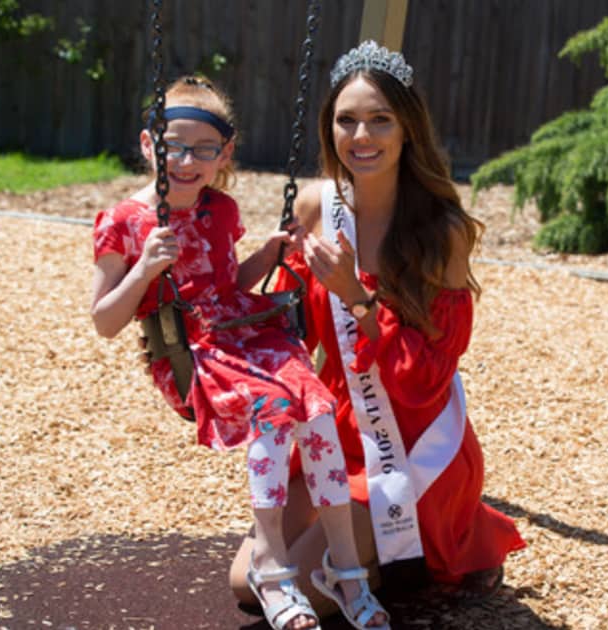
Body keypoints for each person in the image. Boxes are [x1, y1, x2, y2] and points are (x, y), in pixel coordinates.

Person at [228, 40, 526, 616]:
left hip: (410, 442)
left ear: (407, 129)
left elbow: (426, 380)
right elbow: (289, 338)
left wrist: (359, 300)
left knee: (311, 592)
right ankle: (373, 562)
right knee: (249, 583)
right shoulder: (317, 207)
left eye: (379, 120)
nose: (361, 137)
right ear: (330, 129)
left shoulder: (442, 234)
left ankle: (417, 549)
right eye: (347, 121)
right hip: (334, 430)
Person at [91, 75, 389, 630]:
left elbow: (228, 288)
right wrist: (143, 268)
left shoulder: (221, 210)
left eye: (204, 149)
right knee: (275, 414)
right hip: (191, 351)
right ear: (147, 144)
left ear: (224, 154)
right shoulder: (125, 222)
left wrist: (266, 255)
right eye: (173, 145)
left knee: (318, 410)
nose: (186, 161)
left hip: (247, 334)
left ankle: (345, 571)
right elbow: (104, 320)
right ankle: (271, 566)